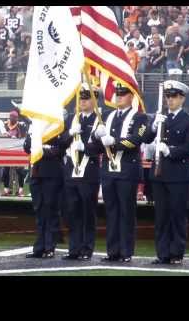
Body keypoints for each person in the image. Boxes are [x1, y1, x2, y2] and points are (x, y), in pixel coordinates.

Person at [92, 83, 148, 263]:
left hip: (127, 172)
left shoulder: (140, 117)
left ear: (132, 97)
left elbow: (136, 140)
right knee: (111, 212)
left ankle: (126, 251)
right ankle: (113, 251)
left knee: (126, 212)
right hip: (109, 172)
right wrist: (96, 136)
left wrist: (114, 142)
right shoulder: (107, 117)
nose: (119, 97)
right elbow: (96, 145)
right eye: (117, 94)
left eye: (123, 94)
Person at [144, 80, 189, 265]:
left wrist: (170, 151)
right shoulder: (161, 117)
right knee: (161, 216)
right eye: (168, 96)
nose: (170, 100)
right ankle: (162, 253)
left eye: (174, 96)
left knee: (177, 215)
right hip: (160, 174)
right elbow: (146, 137)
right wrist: (153, 126)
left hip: (179, 175)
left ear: (182, 98)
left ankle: (176, 253)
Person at [58, 85, 101, 261]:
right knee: (72, 211)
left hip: (89, 171)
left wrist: (87, 147)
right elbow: (61, 142)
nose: (82, 102)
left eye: (86, 99)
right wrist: (70, 133)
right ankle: (74, 248)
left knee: (87, 212)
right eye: (80, 99)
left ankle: (86, 248)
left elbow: (103, 146)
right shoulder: (73, 119)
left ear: (94, 100)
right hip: (71, 171)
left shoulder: (100, 120)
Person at [24, 122, 65, 259]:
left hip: (51, 173)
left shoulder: (57, 125)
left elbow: (58, 149)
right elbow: (26, 147)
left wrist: (40, 149)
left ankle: (49, 246)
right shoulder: (34, 126)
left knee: (50, 209)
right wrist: (33, 138)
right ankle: (39, 247)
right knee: (39, 210)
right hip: (36, 173)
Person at [2, 110, 27, 196]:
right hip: (7, 150)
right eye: (11, 116)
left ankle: (19, 190)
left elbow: (24, 137)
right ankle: (7, 189)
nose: (12, 118)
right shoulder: (5, 125)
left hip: (18, 151)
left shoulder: (21, 125)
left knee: (19, 171)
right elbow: (1, 136)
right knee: (6, 170)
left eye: (14, 117)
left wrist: (16, 137)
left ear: (17, 118)